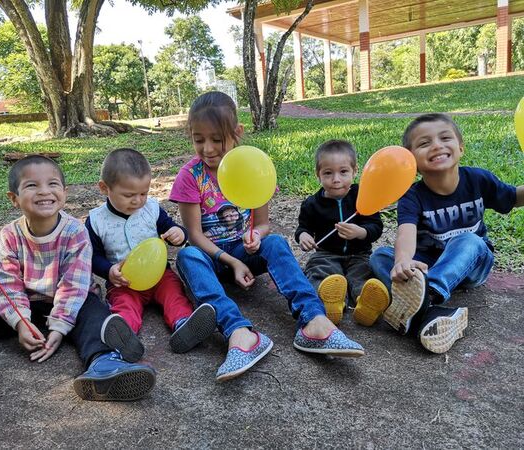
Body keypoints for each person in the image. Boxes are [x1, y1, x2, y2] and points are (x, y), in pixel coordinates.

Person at [0, 155, 156, 419]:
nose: (45, 191)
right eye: (32, 186)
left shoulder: (75, 233)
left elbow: (74, 284)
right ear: (14, 198)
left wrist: (58, 326)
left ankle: (104, 365)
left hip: (72, 306)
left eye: (53, 184)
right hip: (27, 307)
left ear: (64, 193)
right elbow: (7, 286)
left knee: (96, 311)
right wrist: (21, 322)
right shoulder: (8, 237)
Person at [170, 91, 364, 382]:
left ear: (237, 133)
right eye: (199, 139)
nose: (207, 148)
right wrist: (231, 263)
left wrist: (256, 239)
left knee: (274, 243)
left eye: (217, 139)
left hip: (243, 251)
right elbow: (194, 235)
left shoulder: (253, 167)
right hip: (210, 258)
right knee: (186, 255)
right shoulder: (190, 176)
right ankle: (240, 333)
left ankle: (314, 321)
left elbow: (262, 225)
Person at [370, 113, 524, 353]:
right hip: (429, 263)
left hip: (473, 264)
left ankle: (428, 296)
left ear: (460, 148)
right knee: (380, 256)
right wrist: (402, 261)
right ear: (411, 162)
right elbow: (406, 233)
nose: (437, 145)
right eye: (424, 143)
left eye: (445, 138)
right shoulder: (412, 196)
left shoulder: (478, 179)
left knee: (469, 240)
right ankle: (432, 315)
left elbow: (513, 198)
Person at [85, 148, 216, 365]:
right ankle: (123, 336)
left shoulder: (151, 209)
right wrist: (108, 271)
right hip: (124, 281)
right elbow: (92, 256)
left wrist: (179, 233)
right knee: (124, 305)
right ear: (104, 188)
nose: (138, 200)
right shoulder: (97, 221)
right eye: (129, 195)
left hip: (159, 274)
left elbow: (171, 228)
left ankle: (184, 325)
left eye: (143, 193)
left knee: (174, 293)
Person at [296, 139, 388, 327]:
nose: (336, 179)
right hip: (326, 254)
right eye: (328, 173)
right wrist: (303, 236)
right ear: (318, 175)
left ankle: (367, 304)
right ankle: (330, 302)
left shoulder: (363, 197)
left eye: (343, 172)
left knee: (363, 276)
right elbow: (303, 227)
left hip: (359, 255)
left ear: (355, 172)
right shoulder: (311, 204)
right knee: (320, 272)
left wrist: (361, 232)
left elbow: (376, 226)